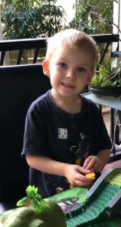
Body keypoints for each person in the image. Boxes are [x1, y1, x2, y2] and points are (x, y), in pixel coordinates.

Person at [22, 29, 111, 198]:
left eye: (81, 69)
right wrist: (65, 170)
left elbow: (105, 148)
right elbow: (32, 158)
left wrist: (100, 159)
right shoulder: (39, 110)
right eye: (62, 65)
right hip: (50, 200)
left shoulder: (92, 110)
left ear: (90, 77)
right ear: (47, 68)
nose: (71, 75)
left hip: (88, 194)